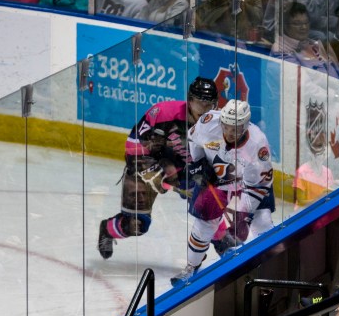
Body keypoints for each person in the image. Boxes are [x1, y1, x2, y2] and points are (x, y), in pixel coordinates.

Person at [98, 76, 219, 260]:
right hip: (147, 164)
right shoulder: (164, 113)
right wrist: (151, 172)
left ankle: (225, 251)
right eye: (200, 103)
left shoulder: (217, 125)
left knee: (211, 213)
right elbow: (133, 145)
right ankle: (107, 229)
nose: (204, 110)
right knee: (136, 225)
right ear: (190, 100)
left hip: (185, 171)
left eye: (209, 104)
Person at [171, 99, 275, 284]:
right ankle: (191, 267)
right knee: (203, 225)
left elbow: (258, 184)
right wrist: (198, 163)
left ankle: (270, 268)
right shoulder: (208, 122)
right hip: (217, 179)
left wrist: (243, 214)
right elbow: (193, 139)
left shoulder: (258, 144)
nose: (229, 132)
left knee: (263, 224)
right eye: (226, 126)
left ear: (246, 125)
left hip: (251, 184)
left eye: (235, 129)